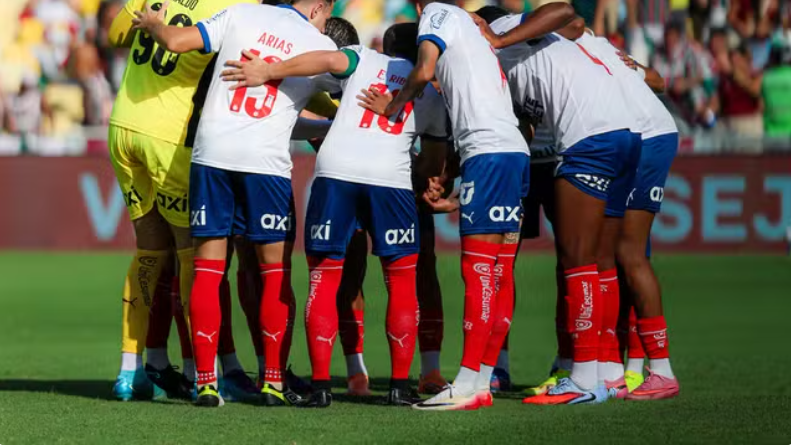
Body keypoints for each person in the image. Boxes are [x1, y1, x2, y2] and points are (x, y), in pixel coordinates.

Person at [357, 0, 576, 411]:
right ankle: (482, 378)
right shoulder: (471, 27)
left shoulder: (436, 15)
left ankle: (470, 380)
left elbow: (423, 71)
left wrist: (393, 105)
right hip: (514, 152)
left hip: (488, 153)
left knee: (477, 270)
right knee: (498, 271)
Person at [220, 21, 450, 408]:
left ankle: (323, 387)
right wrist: (423, 175)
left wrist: (270, 69)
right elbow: (432, 162)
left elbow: (326, 59)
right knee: (401, 282)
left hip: (335, 171)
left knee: (323, 281)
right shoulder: (432, 95)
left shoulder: (363, 58)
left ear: (384, 45)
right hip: (390, 178)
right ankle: (398, 386)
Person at [131, 0, 337, 407]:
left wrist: (154, 25)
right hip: (265, 164)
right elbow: (354, 83)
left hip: (212, 156)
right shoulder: (319, 44)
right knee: (272, 273)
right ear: (318, 7)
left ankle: (206, 384)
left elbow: (175, 41)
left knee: (208, 270)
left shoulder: (240, 13)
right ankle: (273, 383)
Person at [482, 9, 641, 405]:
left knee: (577, 259)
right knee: (597, 259)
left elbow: (567, 13)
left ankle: (582, 378)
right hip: (624, 134)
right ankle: (605, 373)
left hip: (587, 140)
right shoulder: (515, 61)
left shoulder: (499, 34)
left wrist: (501, 37)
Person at [106, 0, 256, 401]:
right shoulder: (236, 6)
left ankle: (129, 372)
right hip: (168, 137)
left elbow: (115, 35)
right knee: (194, 256)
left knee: (150, 253)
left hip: (122, 127)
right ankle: (201, 372)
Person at [577, 30, 681, 401]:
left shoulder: (573, 50)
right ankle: (628, 367)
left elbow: (659, 81)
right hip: (646, 135)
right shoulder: (596, 43)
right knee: (624, 252)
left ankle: (659, 370)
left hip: (646, 138)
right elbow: (658, 80)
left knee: (628, 253)